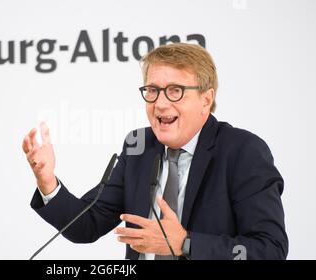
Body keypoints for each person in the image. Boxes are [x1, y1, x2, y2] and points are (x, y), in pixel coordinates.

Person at [22, 43, 288, 260]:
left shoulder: (243, 151)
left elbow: (269, 250)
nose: (160, 103)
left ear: (206, 100)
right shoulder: (139, 146)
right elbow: (87, 224)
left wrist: (186, 243)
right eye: (152, 90)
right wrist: (47, 181)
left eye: (175, 91)